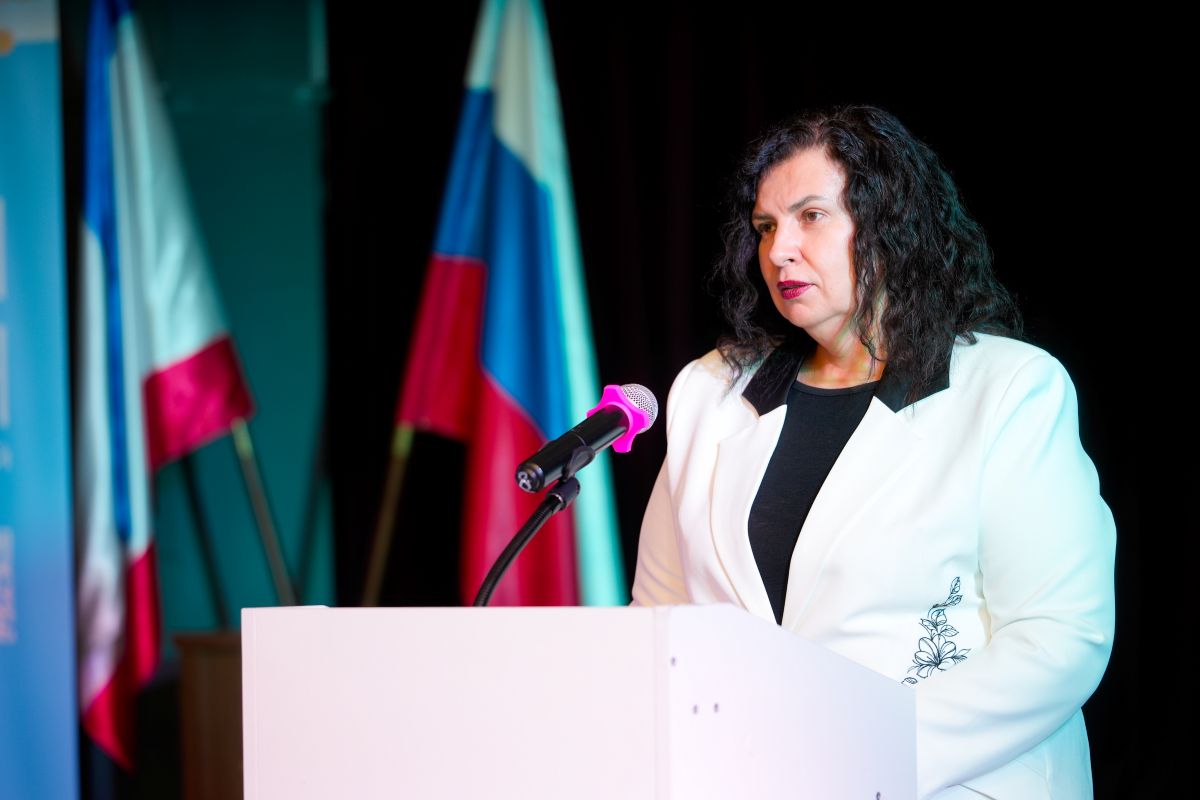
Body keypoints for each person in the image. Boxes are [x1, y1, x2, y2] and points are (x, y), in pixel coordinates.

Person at [630, 104, 1116, 799]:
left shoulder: (1010, 388)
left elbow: (1057, 636)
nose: (780, 250)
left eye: (811, 217)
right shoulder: (709, 392)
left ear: (889, 225)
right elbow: (660, 620)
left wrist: (859, 755)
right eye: (765, 227)